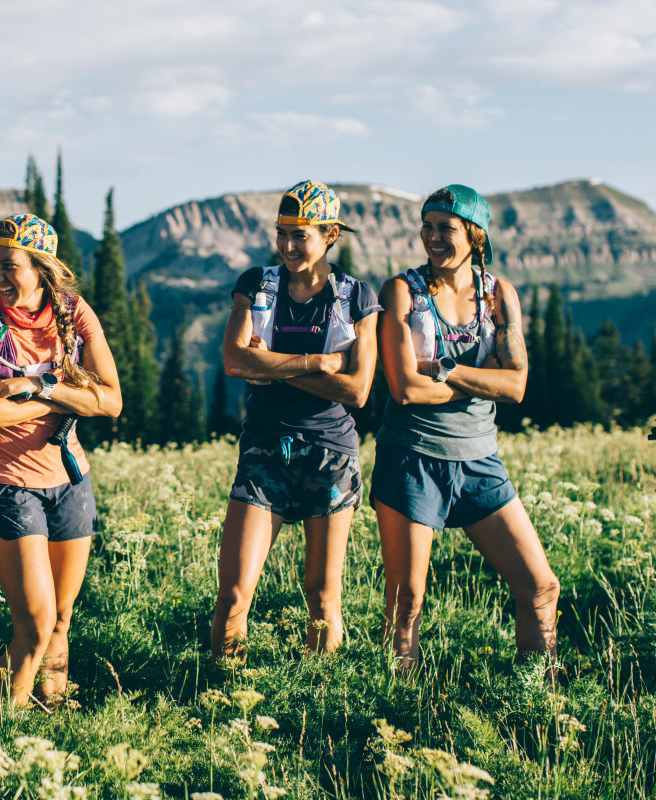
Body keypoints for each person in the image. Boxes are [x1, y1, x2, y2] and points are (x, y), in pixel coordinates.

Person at [372, 184, 559, 669]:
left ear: (475, 236)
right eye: (427, 226)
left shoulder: (499, 296)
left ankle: (537, 698)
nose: (432, 237)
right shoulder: (402, 291)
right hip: (411, 459)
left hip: (479, 462)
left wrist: (447, 369)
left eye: (446, 229)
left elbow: (516, 385)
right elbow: (405, 390)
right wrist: (483, 380)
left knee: (540, 587)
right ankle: (398, 710)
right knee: (406, 607)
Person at [0, 213, 121, 707]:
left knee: (62, 617)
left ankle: (53, 709)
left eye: (9, 266)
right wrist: (67, 394)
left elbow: (111, 401)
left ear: (42, 269)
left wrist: (37, 388)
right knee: (34, 622)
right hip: (5, 479)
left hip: (69, 476)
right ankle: (5, 721)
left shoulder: (74, 313)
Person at [213, 181, 381, 660]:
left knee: (323, 598)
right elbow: (234, 362)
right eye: (281, 233)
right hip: (265, 448)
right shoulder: (256, 284)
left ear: (330, 235)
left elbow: (357, 390)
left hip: (331, 451)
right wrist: (314, 362)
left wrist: (271, 367)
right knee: (233, 595)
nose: (287, 246)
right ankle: (224, 694)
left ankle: (317, 697)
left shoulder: (356, 298)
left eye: (300, 235)